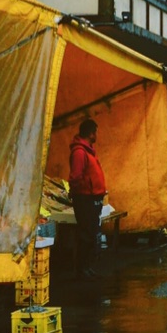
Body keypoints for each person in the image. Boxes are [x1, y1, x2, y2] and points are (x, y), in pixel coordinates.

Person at [68, 119, 108, 278]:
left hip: (92, 198)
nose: (97, 135)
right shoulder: (80, 152)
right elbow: (76, 176)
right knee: (85, 233)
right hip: (85, 198)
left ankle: (87, 266)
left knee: (91, 232)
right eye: (96, 132)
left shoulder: (89, 150)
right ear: (91, 133)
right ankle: (81, 268)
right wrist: (78, 192)